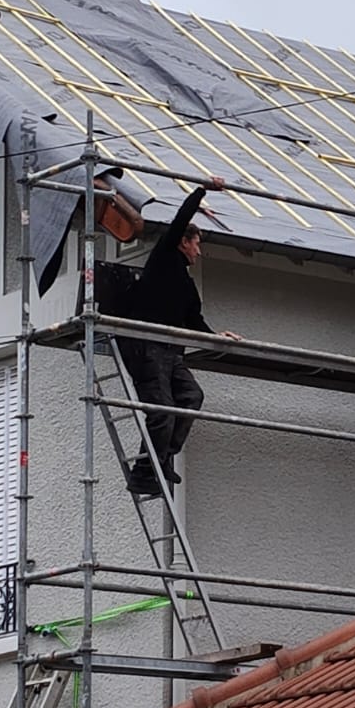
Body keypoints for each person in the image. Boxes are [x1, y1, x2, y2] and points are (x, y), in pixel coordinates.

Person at [118, 178, 239, 498]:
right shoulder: (163, 261)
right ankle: (144, 473)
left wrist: (217, 336)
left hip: (170, 350)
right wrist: (201, 192)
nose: (199, 250)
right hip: (146, 346)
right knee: (161, 411)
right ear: (184, 242)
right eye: (196, 243)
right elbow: (178, 222)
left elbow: (193, 320)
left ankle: (162, 457)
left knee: (189, 399)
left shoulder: (185, 285)